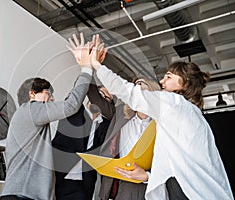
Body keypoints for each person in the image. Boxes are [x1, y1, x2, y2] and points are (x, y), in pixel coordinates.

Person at [68, 33, 234, 200]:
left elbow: (127, 91)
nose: (162, 81)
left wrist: (94, 64)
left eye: (168, 77)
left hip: (186, 191)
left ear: (185, 83)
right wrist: (147, 177)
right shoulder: (189, 114)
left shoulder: (174, 103)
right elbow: (174, 164)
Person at [0, 45, 93, 199]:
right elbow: (70, 106)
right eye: (48, 93)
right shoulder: (31, 110)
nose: (52, 98)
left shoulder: (25, 116)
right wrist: (87, 69)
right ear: (32, 94)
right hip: (23, 196)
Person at [52, 86, 115, 200]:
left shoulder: (106, 125)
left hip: (84, 184)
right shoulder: (74, 111)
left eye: (107, 98)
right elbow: (76, 92)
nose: (102, 99)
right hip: (59, 176)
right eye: (100, 94)